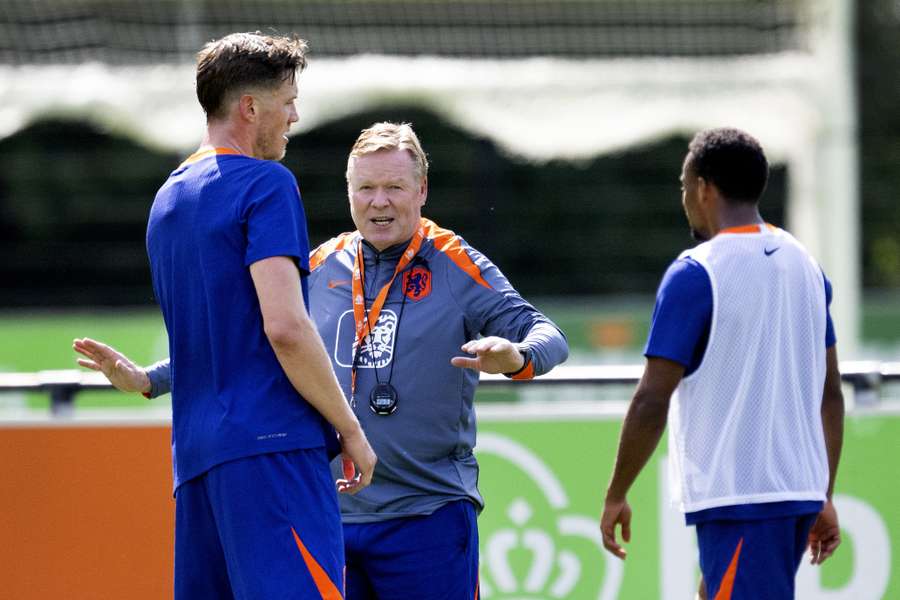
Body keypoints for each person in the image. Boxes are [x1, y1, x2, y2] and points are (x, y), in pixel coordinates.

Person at [76, 121, 569, 599]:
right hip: (328, 513)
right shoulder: (318, 265)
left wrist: (517, 356)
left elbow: (550, 336)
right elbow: (243, 345)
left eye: (395, 187)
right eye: (366, 188)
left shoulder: (456, 262)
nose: (379, 202)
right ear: (348, 191)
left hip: (429, 515)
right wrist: (148, 379)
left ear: (421, 191)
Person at [75, 31, 377, 600]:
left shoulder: (167, 201)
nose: (295, 115)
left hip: (195, 464)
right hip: (273, 451)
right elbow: (284, 327)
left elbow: (220, 333)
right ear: (250, 106)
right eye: (287, 101)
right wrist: (351, 428)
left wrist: (146, 380)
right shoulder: (267, 184)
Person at [599, 128, 844, 599]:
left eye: (685, 187)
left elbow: (652, 398)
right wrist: (824, 491)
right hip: (794, 494)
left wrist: (616, 493)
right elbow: (829, 393)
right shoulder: (807, 266)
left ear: (704, 188)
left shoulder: (696, 273)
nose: (686, 200)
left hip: (742, 500)